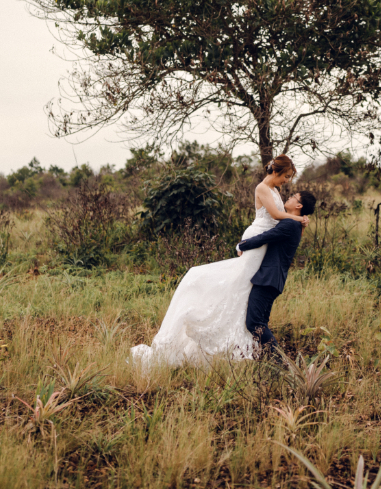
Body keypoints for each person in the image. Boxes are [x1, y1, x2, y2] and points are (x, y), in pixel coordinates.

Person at [130, 155, 309, 368]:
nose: (286, 181)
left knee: (246, 291)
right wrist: (299, 218)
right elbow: (275, 214)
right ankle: (214, 325)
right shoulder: (262, 188)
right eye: (286, 176)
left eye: (289, 178)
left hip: (265, 245)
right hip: (256, 239)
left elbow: (280, 219)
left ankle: (244, 346)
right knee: (239, 283)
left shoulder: (277, 191)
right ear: (276, 171)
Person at [237, 189, 317, 360]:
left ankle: (281, 362)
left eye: (292, 197)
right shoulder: (294, 223)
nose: (288, 198)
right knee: (261, 322)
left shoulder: (290, 225)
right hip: (272, 279)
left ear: (299, 205)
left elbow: (266, 237)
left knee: (254, 323)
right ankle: (269, 361)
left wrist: (241, 245)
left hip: (268, 279)